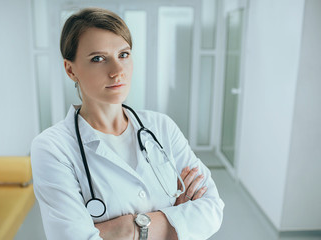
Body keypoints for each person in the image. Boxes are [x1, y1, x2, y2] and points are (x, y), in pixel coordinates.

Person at [31, 7, 224, 240]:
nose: (117, 71)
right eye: (98, 59)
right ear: (70, 70)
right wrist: (175, 217)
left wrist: (126, 228)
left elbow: (212, 209)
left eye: (123, 54)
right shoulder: (52, 148)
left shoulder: (161, 127)